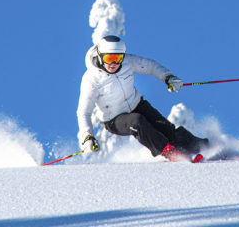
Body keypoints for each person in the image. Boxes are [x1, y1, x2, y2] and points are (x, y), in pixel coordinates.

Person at [77, 35, 208, 162]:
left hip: (137, 105)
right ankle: (169, 151)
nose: (113, 63)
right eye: (109, 57)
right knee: (137, 122)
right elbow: (84, 112)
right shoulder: (91, 79)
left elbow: (150, 66)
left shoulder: (127, 62)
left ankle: (204, 147)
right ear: (100, 56)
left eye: (118, 58)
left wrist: (168, 77)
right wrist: (87, 136)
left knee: (167, 129)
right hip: (114, 119)